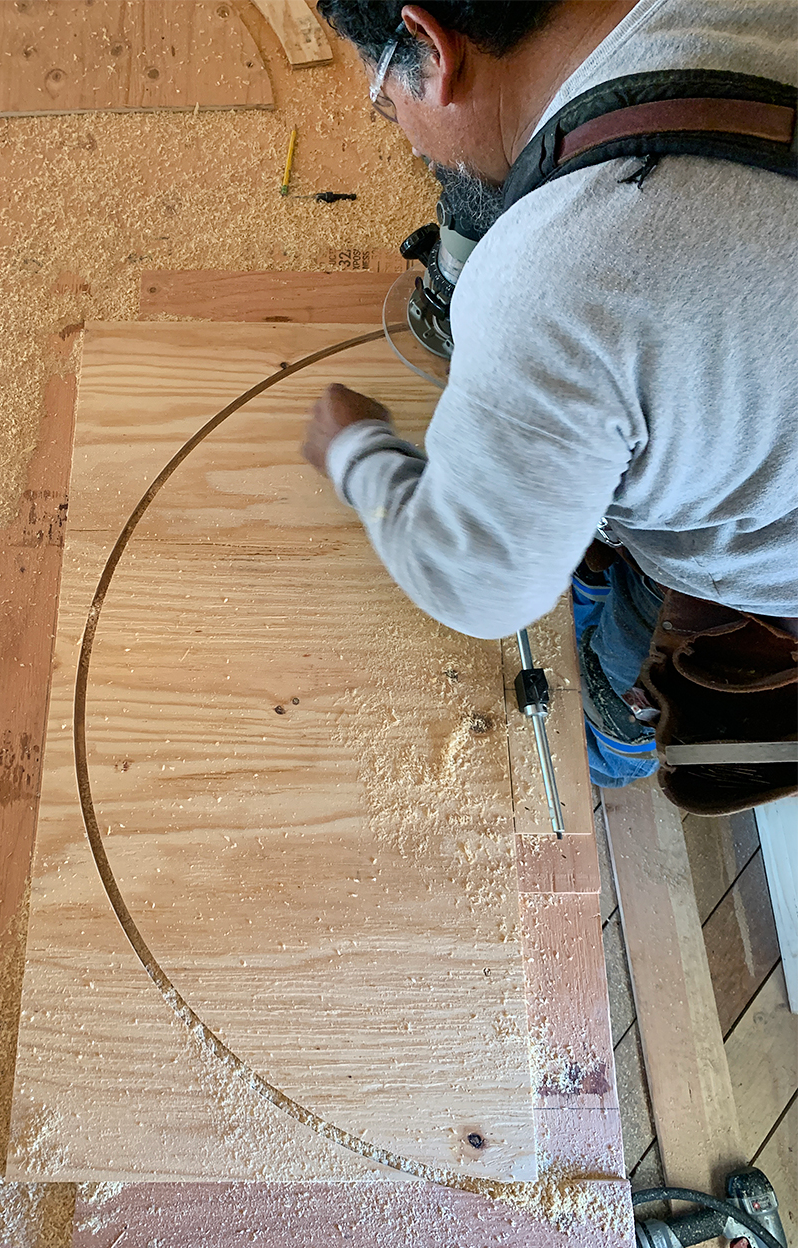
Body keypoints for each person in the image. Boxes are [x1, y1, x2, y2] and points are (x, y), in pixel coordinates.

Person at [301, 0, 797, 793]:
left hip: (769, 584)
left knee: (614, 685)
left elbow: (474, 582)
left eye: (384, 100)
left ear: (430, 44)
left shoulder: (558, 284)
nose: (399, 125)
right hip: (764, 448)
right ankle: (599, 561)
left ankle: (609, 749)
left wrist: (354, 449)